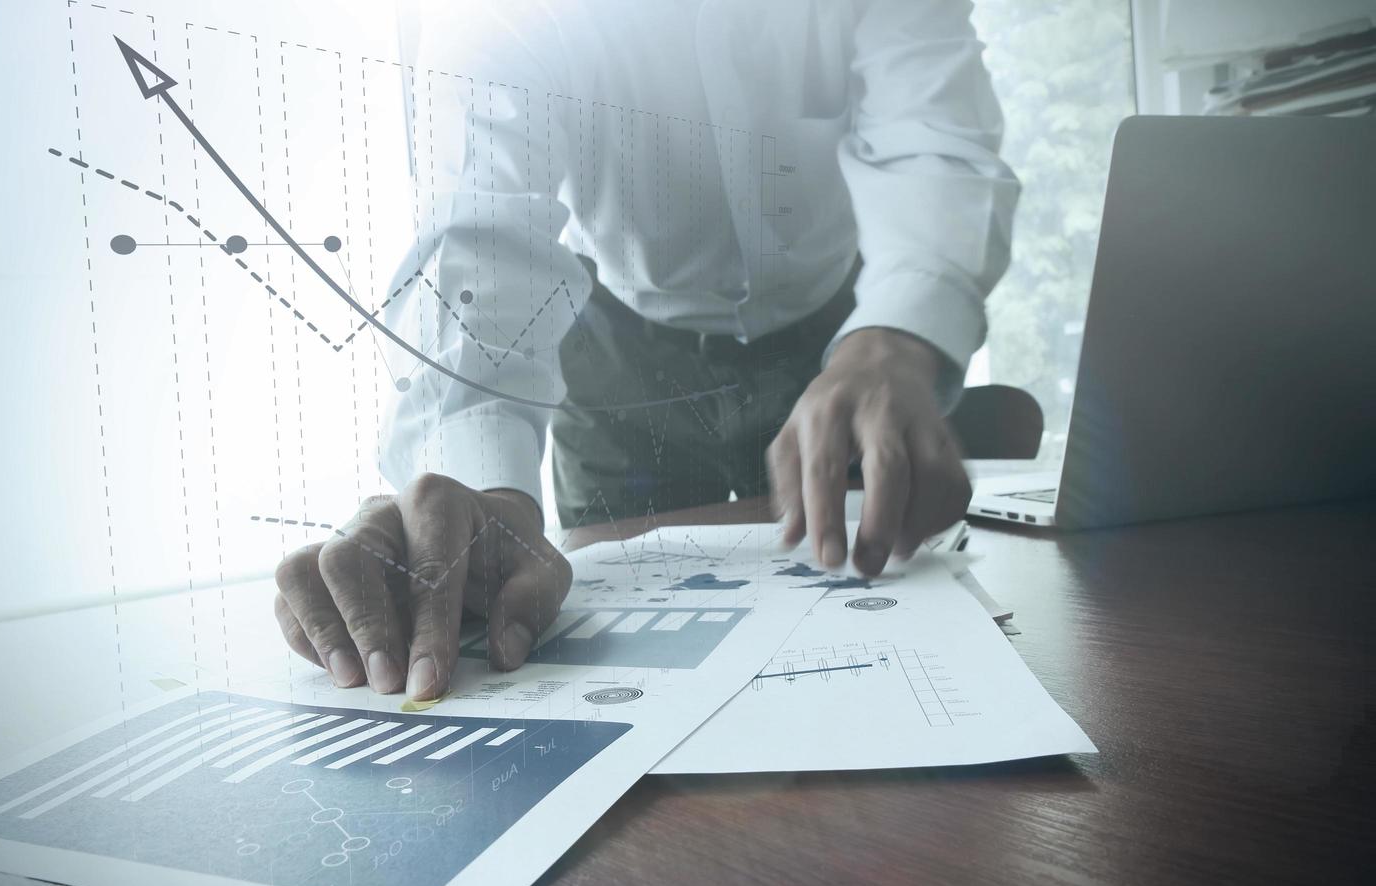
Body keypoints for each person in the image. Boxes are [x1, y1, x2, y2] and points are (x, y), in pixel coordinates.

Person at [272, 0, 1019, 701]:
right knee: (621, 654)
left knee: (883, 629)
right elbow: (479, 231)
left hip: (847, 349)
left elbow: (935, 136)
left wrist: (896, 337)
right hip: (620, 367)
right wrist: (482, 485)